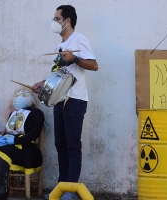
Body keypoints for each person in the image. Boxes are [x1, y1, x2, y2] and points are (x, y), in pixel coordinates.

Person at [33, 5, 98, 200]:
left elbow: (94, 65)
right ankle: (61, 190)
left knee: (72, 145)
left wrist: (76, 58)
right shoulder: (59, 47)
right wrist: (43, 84)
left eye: (57, 18)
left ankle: (70, 192)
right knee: (60, 145)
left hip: (75, 100)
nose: (54, 22)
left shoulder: (79, 39)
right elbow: (60, 75)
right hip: (60, 100)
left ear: (67, 20)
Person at [0, 87, 44, 200]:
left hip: (26, 147)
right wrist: (6, 118)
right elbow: (7, 131)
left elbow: (33, 134)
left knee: (4, 151)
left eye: (23, 96)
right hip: (11, 144)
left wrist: (14, 140)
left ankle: (2, 189)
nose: (18, 99)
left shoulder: (37, 113)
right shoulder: (13, 113)